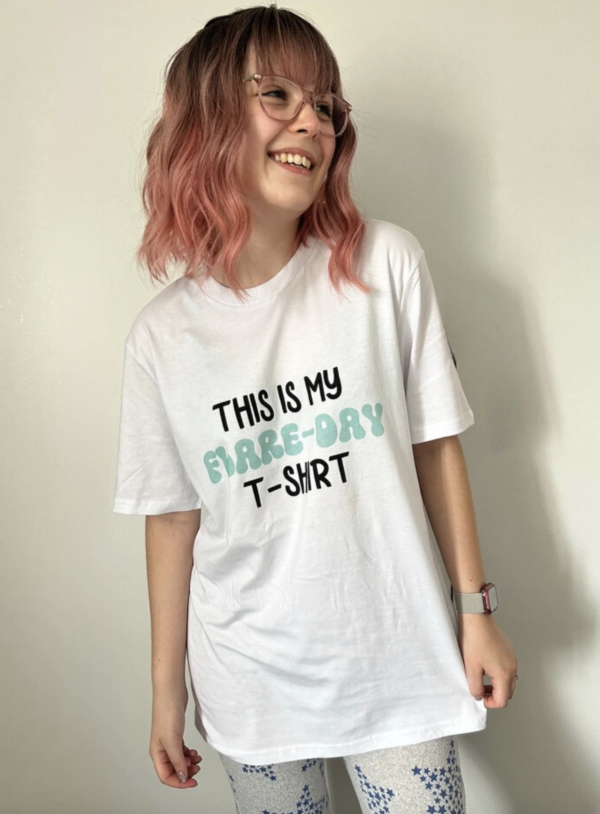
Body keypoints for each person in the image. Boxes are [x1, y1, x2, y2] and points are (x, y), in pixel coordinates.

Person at [112, 5, 518, 812]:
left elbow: (436, 444)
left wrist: (477, 613)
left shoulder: (384, 266)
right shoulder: (162, 338)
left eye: (327, 105)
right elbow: (172, 519)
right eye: (279, 95)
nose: (315, 121)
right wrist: (167, 691)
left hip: (397, 658)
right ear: (207, 120)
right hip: (248, 677)